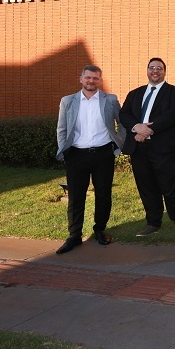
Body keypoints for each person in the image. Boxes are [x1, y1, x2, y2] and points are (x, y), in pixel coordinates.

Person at [55, 65, 125, 254]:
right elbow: (61, 129)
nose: (91, 81)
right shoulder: (68, 101)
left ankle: (100, 230)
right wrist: (65, 149)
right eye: (88, 78)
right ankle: (74, 235)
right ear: (81, 79)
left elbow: (123, 123)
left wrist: (119, 145)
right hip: (76, 155)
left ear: (100, 81)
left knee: (103, 194)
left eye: (95, 78)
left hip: (103, 154)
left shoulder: (110, 100)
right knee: (76, 196)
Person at [120, 58, 175, 236]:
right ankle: (153, 222)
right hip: (139, 148)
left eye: (159, 68)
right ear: (147, 70)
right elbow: (124, 114)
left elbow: (172, 115)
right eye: (152, 68)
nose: (155, 71)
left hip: (164, 147)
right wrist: (137, 127)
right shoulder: (135, 93)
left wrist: (147, 130)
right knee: (146, 186)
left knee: (170, 184)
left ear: (164, 71)